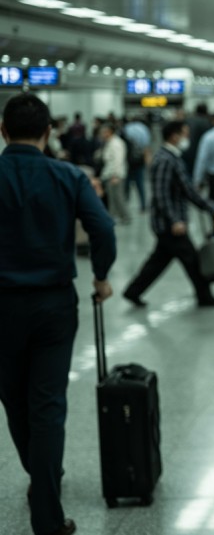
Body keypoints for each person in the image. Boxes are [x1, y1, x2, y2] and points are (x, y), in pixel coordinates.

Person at [0, 93, 116, 535]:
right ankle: (47, 515)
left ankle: (41, 474)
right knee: (47, 405)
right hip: (52, 305)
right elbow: (102, 227)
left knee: (14, 399)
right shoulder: (67, 175)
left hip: (1, 306)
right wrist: (101, 276)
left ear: (3, 131)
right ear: (49, 132)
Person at [122, 121, 214, 308]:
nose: (187, 138)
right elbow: (161, 195)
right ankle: (204, 296)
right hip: (169, 225)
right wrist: (175, 220)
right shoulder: (165, 160)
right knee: (192, 261)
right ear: (174, 136)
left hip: (169, 223)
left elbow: (188, 191)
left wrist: (212, 208)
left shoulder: (172, 158)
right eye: (185, 134)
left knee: (158, 262)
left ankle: (132, 291)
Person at [99, 123, 130, 224]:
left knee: (118, 198)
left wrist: (115, 175)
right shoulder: (110, 142)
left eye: (104, 132)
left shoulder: (116, 143)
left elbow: (118, 160)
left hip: (115, 175)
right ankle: (112, 217)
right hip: (110, 174)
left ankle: (125, 217)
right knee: (112, 199)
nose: (102, 134)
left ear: (109, 132)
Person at [122, 115, 152, 213]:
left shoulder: (127, 128)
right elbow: (146, 148)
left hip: (128, 161)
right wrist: (148, 163)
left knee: (127, 185)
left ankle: (125, 205)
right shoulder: (144, 129)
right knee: (140, 184)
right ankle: (143, 205)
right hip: (139, 161)